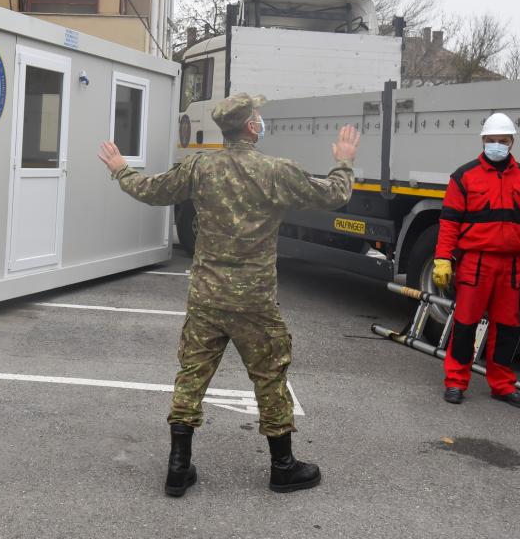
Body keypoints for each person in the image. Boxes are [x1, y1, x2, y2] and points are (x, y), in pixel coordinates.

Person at [97, 93, 359, 497]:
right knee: (270, 377)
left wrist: (120, 170)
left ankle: (178, 468)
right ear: (252, 127)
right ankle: (283, 467)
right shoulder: (275, 170)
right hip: (254, 301)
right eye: (258, 116)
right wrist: (343, 160)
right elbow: (334, 195)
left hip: (206, 296)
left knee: (191, 378)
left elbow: (152, 190)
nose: (260, 120)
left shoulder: (200, 167)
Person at [431, 112, 520, 409]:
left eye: (503, 141)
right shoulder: (463, 176)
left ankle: (502, 385)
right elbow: (449, 222)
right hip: (475, 264)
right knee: (465, 325)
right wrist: (442, 260)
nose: (497, 145)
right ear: (483, 141)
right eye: (491, 140)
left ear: (512, 142)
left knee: (507, 329)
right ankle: (455, 381)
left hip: (512, 266)